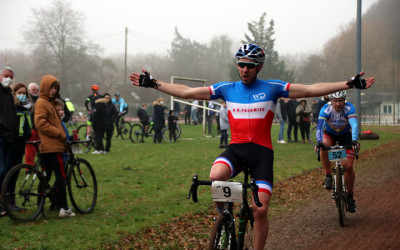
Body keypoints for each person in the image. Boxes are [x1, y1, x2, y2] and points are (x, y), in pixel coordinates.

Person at [129, 43, 374, 248]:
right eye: (241, 64)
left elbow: (311, 89)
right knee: (215, 176)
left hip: (261, 155)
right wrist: (154, 84)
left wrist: (348, 84)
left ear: (259, 67)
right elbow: (188, 91)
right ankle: (225, 219)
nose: (244, 70)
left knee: (260, 210)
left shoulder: (272, 88)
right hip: (235, 150)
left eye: (249, 65)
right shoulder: (227, 89)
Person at [34, 75, 75, 218]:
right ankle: (64, 208)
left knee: (45, 179)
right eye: (51, 87)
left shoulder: (49, 103)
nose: (53, 91)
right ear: (45, 87)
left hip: (51, 146)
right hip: (52, 146)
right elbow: (40, 123)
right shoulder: (42, 103)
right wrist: (59, 133)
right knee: (61, 178)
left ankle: (40, 210)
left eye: (56, 88)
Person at [315, 90, 360, 213]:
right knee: (323, 146)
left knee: (348, 166)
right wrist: (318, 141)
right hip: (330, 135)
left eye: (340, 101)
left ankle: (350, 196)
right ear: (331, 101)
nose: (338, 104)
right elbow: (320, 126)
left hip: (346, 136)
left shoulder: (349, 108)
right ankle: (328, 175)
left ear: (344, 100)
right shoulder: (326, 109)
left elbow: (354, 125)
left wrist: (355, 140)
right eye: (335, 101)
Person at [6, 83, 33, 212]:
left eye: (24, 93)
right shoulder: (12, 107)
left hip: (21, 143)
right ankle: (6, 200)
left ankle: (12, 201)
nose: (22, 95)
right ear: (14, 93)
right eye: (19, 92)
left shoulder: (26, 108)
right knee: (7, 172)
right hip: (12, 142)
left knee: (15, 172)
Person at [0, 67, 18, 216]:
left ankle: (4, 202)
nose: (9, 78)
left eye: (11, 76)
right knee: (1, 170)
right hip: (1, 135)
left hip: (9, 137)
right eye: (6, 76)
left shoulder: (9, 94)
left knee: (5, 171)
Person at [25, 82, 40, 166]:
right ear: (29, 90)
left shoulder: (40, 99)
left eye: (36, 90)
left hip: (40, 128)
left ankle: (42, 164)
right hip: (31, 128)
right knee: (31, 148)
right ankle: (29, 166)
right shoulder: (26, 100)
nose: (35, 91)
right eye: (33, 90)